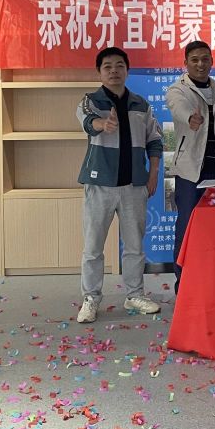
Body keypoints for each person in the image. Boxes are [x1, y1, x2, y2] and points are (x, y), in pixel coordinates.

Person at [76, 47, 163, 323]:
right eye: (107, 66)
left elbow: (154, 140)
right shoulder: (90, 101)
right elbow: (87, 122)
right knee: (93, 246)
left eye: (119, 66)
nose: (114, 71)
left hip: (134, 185)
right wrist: (103, 124)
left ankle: (135, 295)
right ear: (99, 72)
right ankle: (91, 298)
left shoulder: (141, 104)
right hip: (99, 184)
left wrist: (153, 174)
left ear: (127, 70)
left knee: (135, 246)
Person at [165, 41, 215, 294]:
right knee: (187, 227)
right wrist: (190, 118)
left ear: (212, 61)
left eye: (205, 59)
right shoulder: (178, 90)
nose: (200, 64)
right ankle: (183, 285)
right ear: (186, 63)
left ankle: (213, 282)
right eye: (194, 60)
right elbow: (178, 108)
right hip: (190, 172)